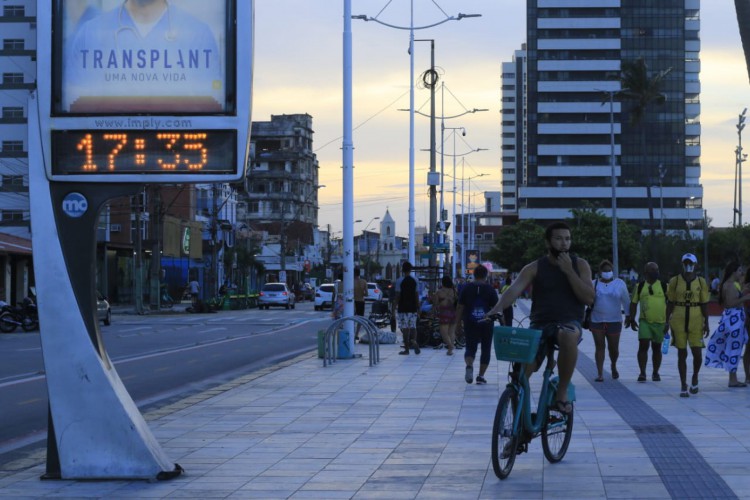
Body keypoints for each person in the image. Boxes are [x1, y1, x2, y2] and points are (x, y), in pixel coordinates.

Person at [487, 221, 594, 414]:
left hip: (570, 322)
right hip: (540, 324)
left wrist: (569, 271)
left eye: (567, 239)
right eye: (559, 239)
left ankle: (562, 393)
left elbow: (589, 298)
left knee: (568, 335)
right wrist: (496, 309)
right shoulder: (534, 268)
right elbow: (514, 290)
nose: (564, 244)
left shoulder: (580, 265)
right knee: (521, 375)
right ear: (548, 242)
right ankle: (519, 427)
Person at [63, 0, 223, 113]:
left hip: (178, 154)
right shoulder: (90, 33)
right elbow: (75, 107)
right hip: (106, 154)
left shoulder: (198, 35)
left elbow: (210, 108)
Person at [665, 253, 710, 398]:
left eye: (690, 263)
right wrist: (666, 322)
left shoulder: (701, 282)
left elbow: (704, 303)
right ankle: (683, 384)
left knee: (697, 353)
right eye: (685, 262)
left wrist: (707, 322)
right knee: (681, 353)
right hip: (678, 318)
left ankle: (695, 376)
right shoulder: (675, 281)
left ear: (695, 264)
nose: (688, 265)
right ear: (682, 264)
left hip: (696, 319)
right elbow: (670, 302)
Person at [704, 261, 750, 387]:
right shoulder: (729, 285)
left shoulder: (730, 284)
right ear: (733, 271)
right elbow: (730, 303)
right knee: (734, 349)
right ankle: (732, 379)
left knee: (733, 349)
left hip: (732, 319)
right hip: (734, 320)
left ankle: (733, 378)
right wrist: (745, 298)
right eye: (740, 270)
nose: (742, 273)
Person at [589, 260, 631, 382]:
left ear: (612, 271)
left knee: (614, 348)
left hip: (614, 321)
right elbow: (587, 299)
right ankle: (600, 373)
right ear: (600, 272)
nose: (607, 273)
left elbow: (626, 301)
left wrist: (628, 316)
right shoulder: (594, 284)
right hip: (597, 320)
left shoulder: (619, 284)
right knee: (599, 346)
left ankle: (613, 365)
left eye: (609, 270)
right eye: (604, 271)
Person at [456, 264, 499, 384]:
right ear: (486, 276)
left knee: (470, 347)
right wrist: (504, 323)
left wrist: (457, 323)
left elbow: (460, 307)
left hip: (470, 322)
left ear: (474, 275)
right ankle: (480, 376)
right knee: (486, 349)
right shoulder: (490, 289)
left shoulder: (466, 288)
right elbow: (496, 308)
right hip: (486, 323)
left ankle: (469, 365)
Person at [628, 262, 668, 382]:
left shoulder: (664, 286)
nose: (655, 272)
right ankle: (642, 373)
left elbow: (671, 304)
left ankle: (655, 372)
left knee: (657, 348)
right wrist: (632, 318)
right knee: (643, 345)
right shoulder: (639, 286)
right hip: (645, 322)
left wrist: (668, 321)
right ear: (646, 272)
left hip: (660, 323)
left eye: (657, 270)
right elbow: (633, 303)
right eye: (652, 270)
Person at [395, 262, 420, 355]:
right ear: (411, 269)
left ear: (402, 269)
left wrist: (394, 307)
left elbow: (397, 296)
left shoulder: (399, 281)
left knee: (405, 329)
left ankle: (407, 349)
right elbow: (416, 295)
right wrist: (418, 307)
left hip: (403, 307)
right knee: (413, 326)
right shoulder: (415, 280)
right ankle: (414, 341)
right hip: (413, 307)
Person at [434, 275, 458, 355]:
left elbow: (435, 304)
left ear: (442, 282)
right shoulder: (454, 291)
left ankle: (450, 346)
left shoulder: (439, 292)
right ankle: (450, 350)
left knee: (444, 333)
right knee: (451, 332)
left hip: (444, 313)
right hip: (453, 312)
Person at [353, 267, 367, 341]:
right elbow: (366, 294)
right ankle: (356, 334)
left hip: (353, 302)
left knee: (351, 318)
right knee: (360, 319)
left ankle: (351, 332)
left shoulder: (351, 281)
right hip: (361, 301)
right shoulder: (364, 281)